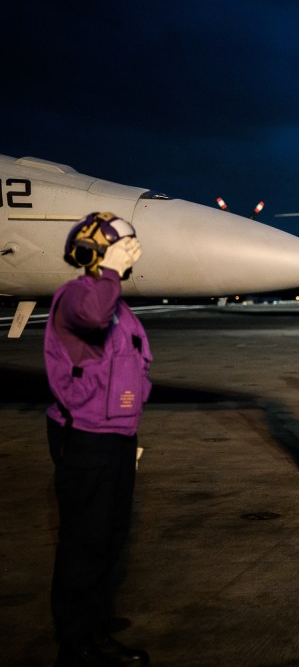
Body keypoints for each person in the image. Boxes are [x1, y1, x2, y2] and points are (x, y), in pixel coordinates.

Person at [44, 212, 152, 666]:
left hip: (116, 435)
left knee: (109, 536)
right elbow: (91, 317)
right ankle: (77, 643)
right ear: (96, 249)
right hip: (85, 435)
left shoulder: (118, 303)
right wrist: (108, 270)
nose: (132, 251)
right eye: (122, 244)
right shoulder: (77, 295)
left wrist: (129, 428)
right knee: (85, 541)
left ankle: (95, 620)